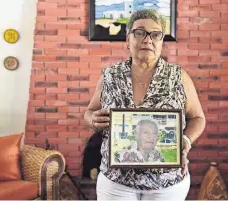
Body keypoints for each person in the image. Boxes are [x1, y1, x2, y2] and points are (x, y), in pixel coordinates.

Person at [84, 9, 206, 200]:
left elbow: (198, 118)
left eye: (155, 34)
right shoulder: (110, 76)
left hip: (167, 182)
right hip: (115, 182)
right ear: (128, 39)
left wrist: (186, 141)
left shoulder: (178, 77)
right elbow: (90, 110)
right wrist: (92, 118)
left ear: (161, 41)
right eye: (140, 32)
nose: (147, 40)